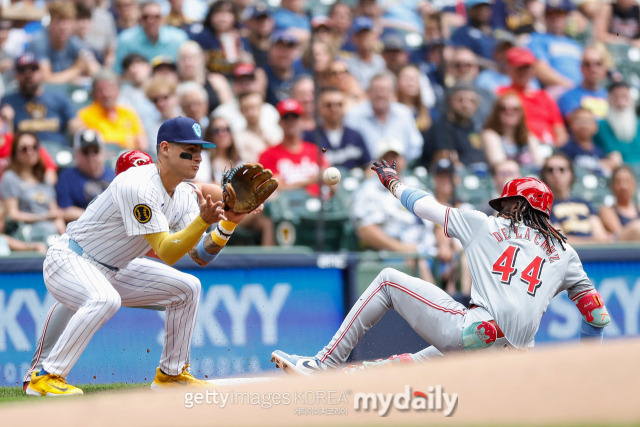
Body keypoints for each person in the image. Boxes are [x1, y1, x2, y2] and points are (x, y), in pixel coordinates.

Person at [271, 160, 610, 375]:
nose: (500, 207)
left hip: (478, 332)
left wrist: (394, 183)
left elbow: (426, 206)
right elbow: (596, 316)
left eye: (505, 201)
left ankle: (325, 364)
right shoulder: (565, 251)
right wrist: (586, 369)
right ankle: (353, 376)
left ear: (517, 203)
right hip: (514, 363)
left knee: (388, 280)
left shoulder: (485, 224)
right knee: (421, 365)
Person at [24, 117, 262, 396]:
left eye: (200, 150)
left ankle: (171, 374)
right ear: (165, 149)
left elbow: (199, 255)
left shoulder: (185, 194)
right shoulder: (138, 184)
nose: (198, 156)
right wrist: (201, 221)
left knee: (188, 288)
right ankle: (47, 375)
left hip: (117, 267)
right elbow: (166, 251)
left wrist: (228, 223)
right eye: (189, 149)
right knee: (104, 298)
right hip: (71, 258)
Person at [350, 138, 436, 283]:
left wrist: (446, 245)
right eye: (386, 158)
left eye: (395, 157)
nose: (391, 162)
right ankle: (439, 305)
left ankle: (465, 303)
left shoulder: (416, 185)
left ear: (404, 160)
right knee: (417, 261)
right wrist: (402, 249)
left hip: (430, 248)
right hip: (392, 255)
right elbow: (365, 230)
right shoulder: (368, 190)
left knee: (466, 257)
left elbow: (436, 218)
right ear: (377, 162)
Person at [2, 53, 82, 147]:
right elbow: (4, 141)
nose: (28, 74)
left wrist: (82, 130)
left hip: (58, 153)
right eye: (22, 70)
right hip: (25, 154)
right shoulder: (7, 102)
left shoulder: (58, 98)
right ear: (16, 75)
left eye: (33, 69)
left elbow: (75, 125)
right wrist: (8, 121)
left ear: (41, 72)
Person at [0, 132, 65, 246]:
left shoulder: (44, 177)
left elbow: (54, 210)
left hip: (50, 229)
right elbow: (13, 214)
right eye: (24, 149)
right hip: (23, 231)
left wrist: (60, 225)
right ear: (15, 153)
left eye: (34, 147)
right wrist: (44, 217)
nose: (30, 152)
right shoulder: (9, 177)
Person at [344, 72, 423, 163]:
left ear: (393, 93)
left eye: (384, 90)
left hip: (400, 171)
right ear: (368, 93)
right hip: (365, 171)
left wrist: (403, 164)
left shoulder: (404, 113)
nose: (380, 95)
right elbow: (348, 148)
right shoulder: (354, 115)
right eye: (376, 90)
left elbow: (416, 145)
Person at [497, 47, 568, 147]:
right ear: (509, 69)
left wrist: (555, 151)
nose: (524, 72)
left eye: (527, 67)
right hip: (520, 147)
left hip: (549, 147)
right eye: (519, 68)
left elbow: (560, 130)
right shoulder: (502, 94)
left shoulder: (544, 96)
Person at [258, 99, 328, 196]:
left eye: (294, 118)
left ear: (302, 121)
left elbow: (328, 178)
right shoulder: (267, 154)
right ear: (279, 122)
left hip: (318, 204)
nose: (291, 122)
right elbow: (270, 188)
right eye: (286, 118)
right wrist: (312, 180)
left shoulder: (314, 150)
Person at [540, 152, 612, 243]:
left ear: (571, 174)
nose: (556, 174)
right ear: (544, 175)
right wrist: (593, 241)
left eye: (561, 169)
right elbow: (560, 240)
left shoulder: (584, 203)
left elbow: (600, 234)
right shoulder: (542, 207)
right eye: (550, 170)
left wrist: (597, 240)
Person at [27, 0, 100, 84]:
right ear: (51, 22)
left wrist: (83, 76)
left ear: (73, 23)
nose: (63, 26)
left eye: (67, 21)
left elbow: (96, 71)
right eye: (59, 20)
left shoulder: (74, 42)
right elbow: (46, 80)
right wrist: (77, 69)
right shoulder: (39, 42)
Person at [302, 86, 371, 170]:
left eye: (339, 104)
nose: (334, 109)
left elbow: (368, 166)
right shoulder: (309, 137)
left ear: (345, 107)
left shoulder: (355, 135)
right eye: (329, 105)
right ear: (319, 107)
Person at [78, 68, 147, 151]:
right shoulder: (84, 115)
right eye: (100, 90)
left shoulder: (129, 113)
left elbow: (142, 145)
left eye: (110, 88)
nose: (106, 94)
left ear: (118, 90)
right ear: (94, 93)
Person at [55, 129, 114, 223]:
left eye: (95, 151)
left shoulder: (114, 174)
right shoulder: (67, 177)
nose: (91, 156)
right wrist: (98, 217)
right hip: (84, 228)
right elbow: (65, 210)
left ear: (103, 152)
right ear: (76, 154)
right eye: (85, 152)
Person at [420, 83, 486, 168]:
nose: (466, 105)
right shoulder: (440, 129)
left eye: (471, 101)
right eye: (460, 100)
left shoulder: (474, 127)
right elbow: (442, 160)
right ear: (449, 101)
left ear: (477, 105)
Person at [114, 1, 188, 74]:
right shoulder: (126, 39)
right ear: (139, 19)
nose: (151, 21)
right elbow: (118, 72)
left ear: (163, 19)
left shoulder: (178, 39)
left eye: (156, 17)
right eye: (146, 17)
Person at [186, 0, 251, 78]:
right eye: (218, 13)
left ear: (234, 17)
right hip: (210, 80)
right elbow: (199, 67)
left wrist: (238, 47)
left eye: (227, 13)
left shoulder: (240, 36)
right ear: (210, 16)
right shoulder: (203, 36)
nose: (222, 18)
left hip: (237, 80)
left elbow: (249, 64)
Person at [482, 93, 543, 168]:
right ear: (496, 112)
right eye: (503, 108)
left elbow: (539, 163)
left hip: (530, 178)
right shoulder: (490, 135)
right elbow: (500, 166)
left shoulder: (529, 136)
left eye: (515, 109)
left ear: (521, 113)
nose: (509, 112)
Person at [561, 107, 621, 176]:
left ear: (595, 127)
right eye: (579, 121)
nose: (584, 125)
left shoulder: (600, 152)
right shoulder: (565, 150)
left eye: (588, 122)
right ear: (571, 125)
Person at [556, 45, 610, 120]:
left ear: (605, 67)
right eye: (587, 64)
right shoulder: (568, 97)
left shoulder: (610, 96)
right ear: (581, 68)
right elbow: (579, 124)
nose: (593, 69)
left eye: (598, 64)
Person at [594, 81, 640, 166]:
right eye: (615, 97)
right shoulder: (599, 127)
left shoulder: (638, 124)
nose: (620, 103)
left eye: (624, 97)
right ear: (609, 100)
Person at [599, 165, 640, 241]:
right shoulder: (607, 210)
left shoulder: (638, 208)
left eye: (627, 181)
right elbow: (621, 236)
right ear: (612, 186)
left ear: (634, 184)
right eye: (618, 182)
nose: (623, 186)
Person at [344, 16, 386, 90]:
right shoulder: (347, 63)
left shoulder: (380, 61)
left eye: (367, 34)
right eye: (360, 35)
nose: (364, 38)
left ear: (375, 36)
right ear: (353, 38)